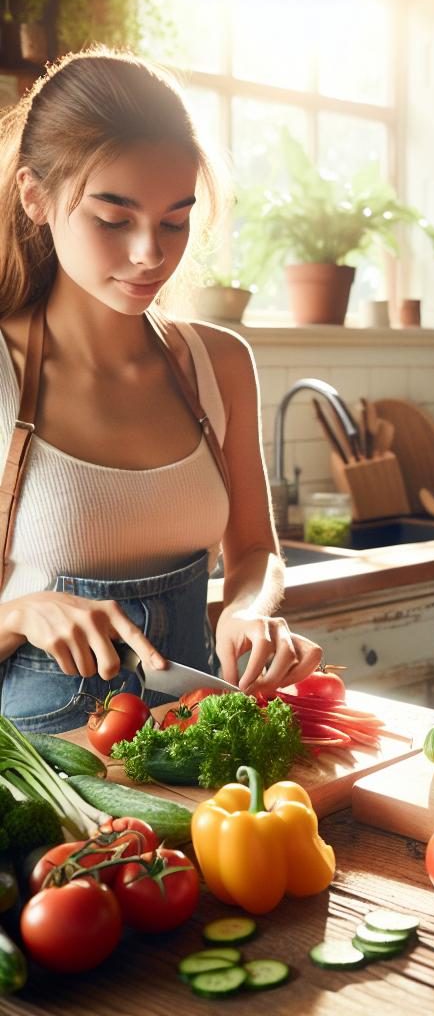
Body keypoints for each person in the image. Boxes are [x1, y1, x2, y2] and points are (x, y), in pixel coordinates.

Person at [0, 48, 323, 733]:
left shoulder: (220, 364)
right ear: (36, 196)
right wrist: (18, 613)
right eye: (113, 219)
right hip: (34, 770)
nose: (151, 252)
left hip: (193, 745)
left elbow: (256, 552)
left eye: (174, 220)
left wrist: (246, 610)